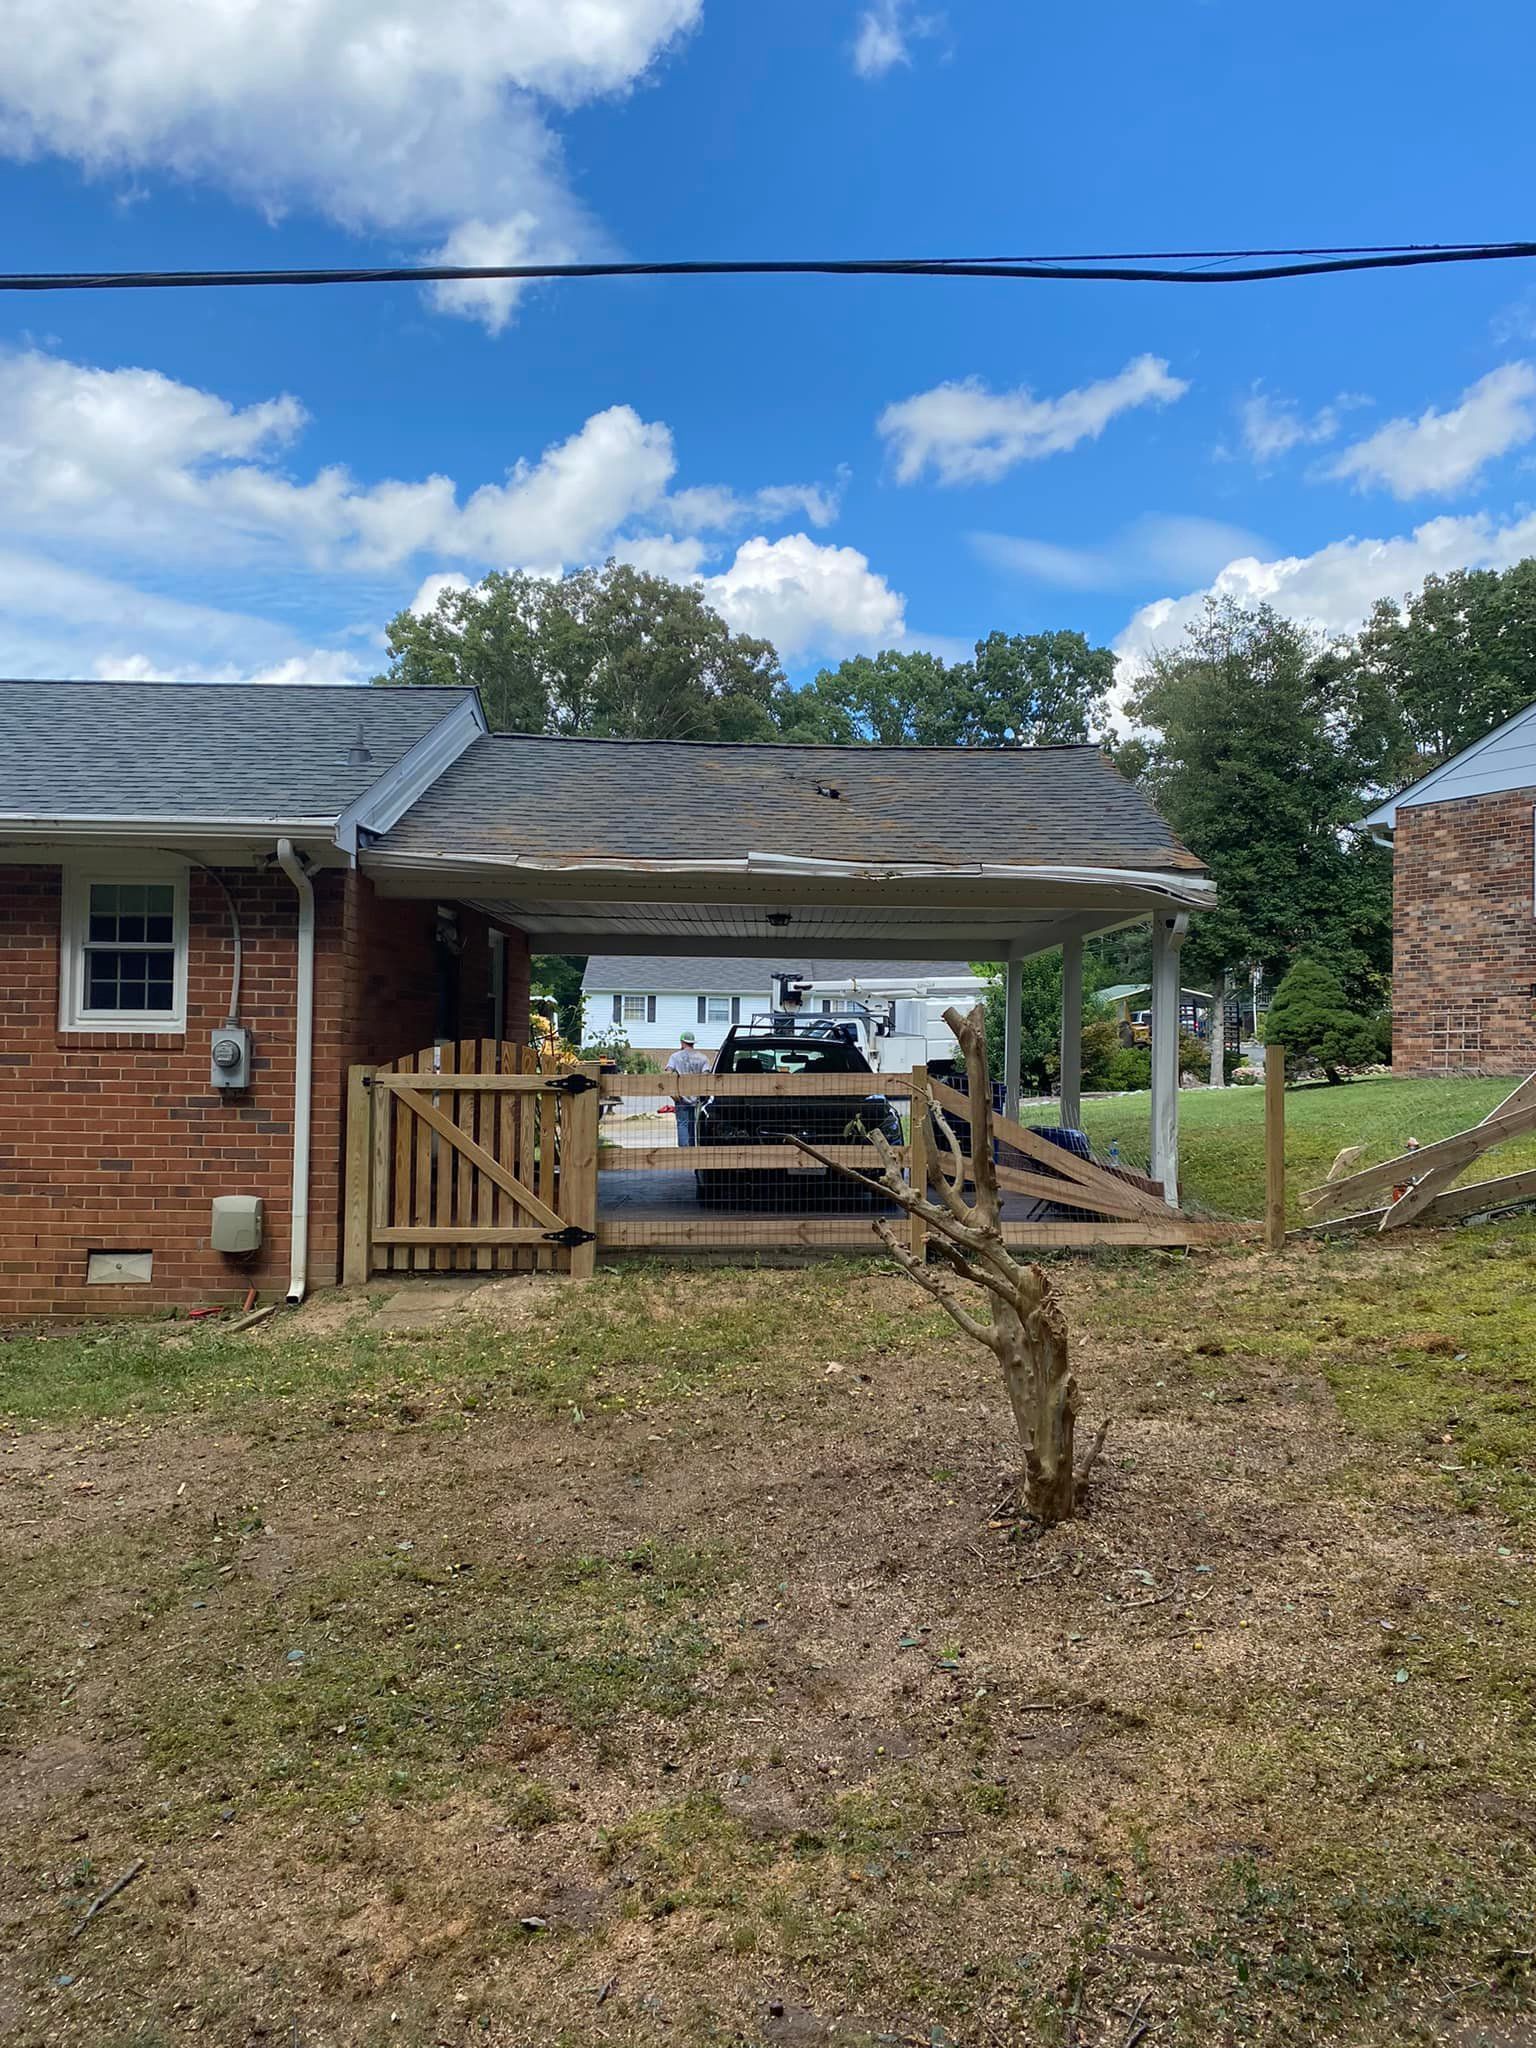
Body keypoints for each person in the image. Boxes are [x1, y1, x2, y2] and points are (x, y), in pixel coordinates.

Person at [665, 1029, 711, 1146]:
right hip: (696, 1097)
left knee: (682, 1124)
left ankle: (684, 1154)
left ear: (682, 1042)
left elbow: (668, 1073)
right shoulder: (703, 1058)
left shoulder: (675, 1057)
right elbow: (706, 1076)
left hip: (680, 1096)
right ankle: (691, 1152)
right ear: (693, 1043)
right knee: (693, 1125)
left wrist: (671, 1091)